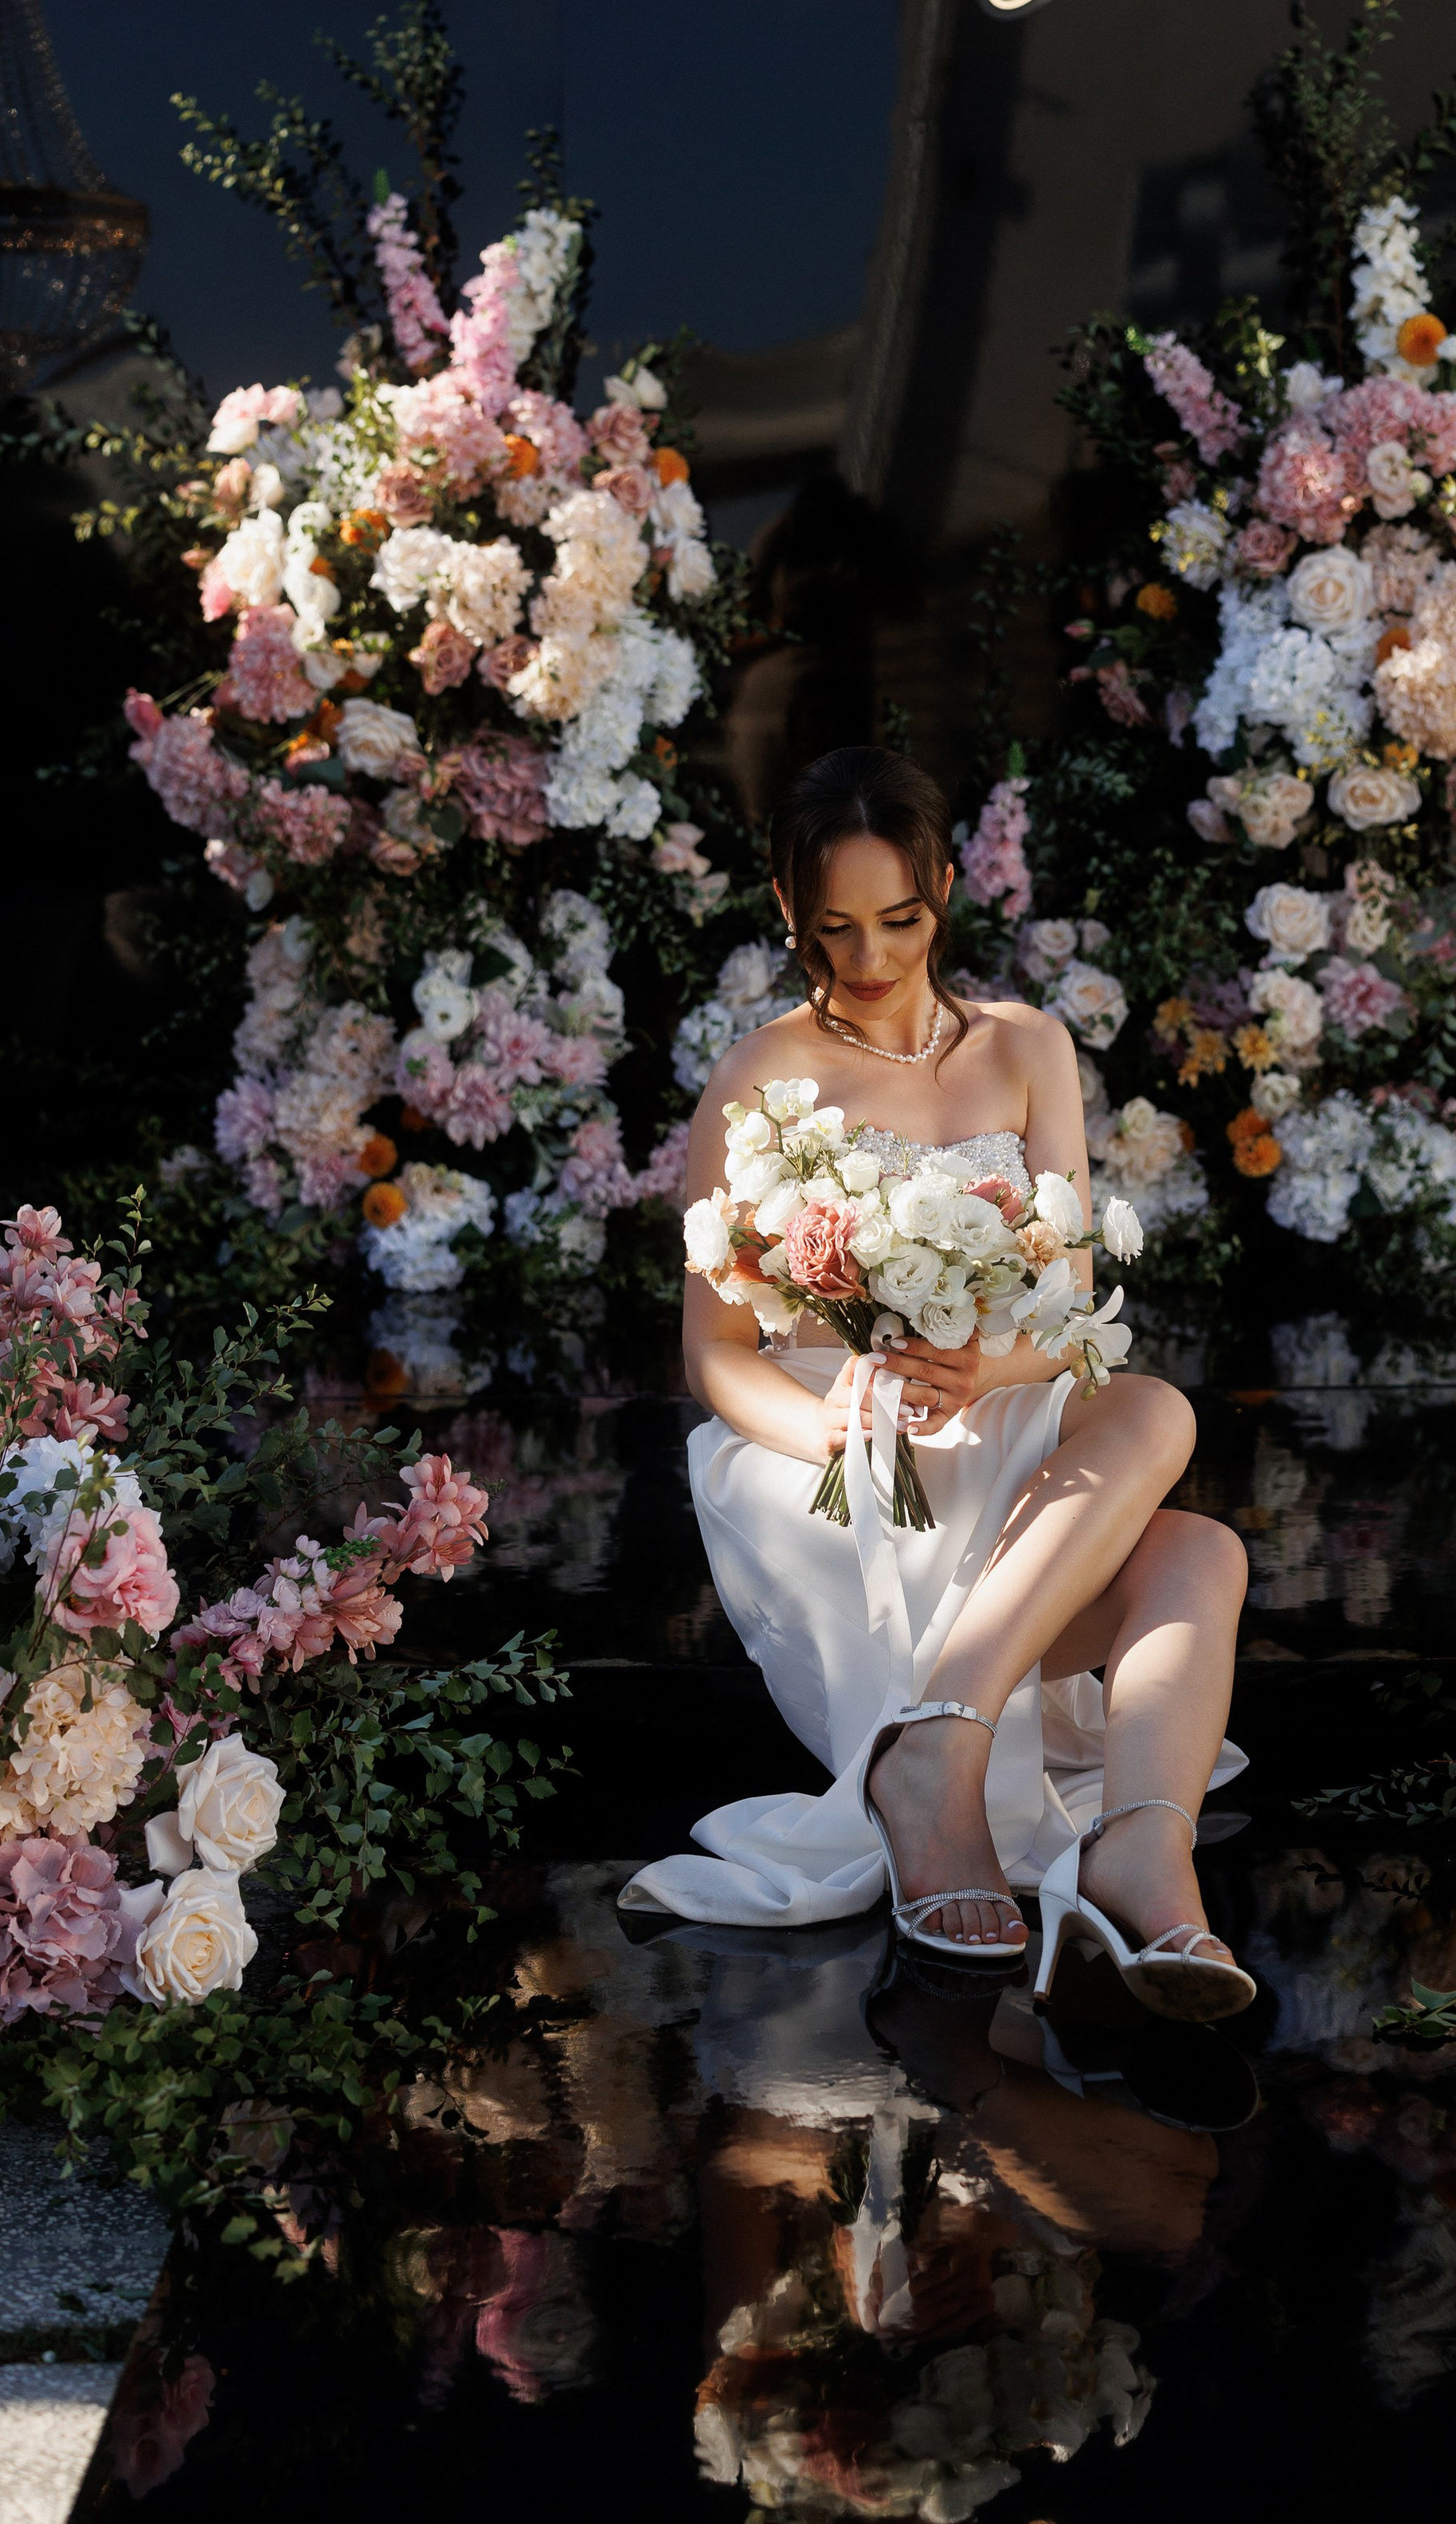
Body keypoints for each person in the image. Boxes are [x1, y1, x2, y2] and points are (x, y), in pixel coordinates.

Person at [621, 746, 1251, 2014]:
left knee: (1174, 1459)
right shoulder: (755, 1080)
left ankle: (1118, 1835)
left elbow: (1070, 1307)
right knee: (1190, 1543)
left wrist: (983, 1366)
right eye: (836, 926)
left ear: (949, 891)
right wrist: (835, 1424)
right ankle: (964, 1771)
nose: (869, 956)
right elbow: (712, 1357)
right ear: (789, 911)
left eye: (900, 920)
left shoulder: (1026, 1046)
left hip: (999, 1407)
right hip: (833, 1457)